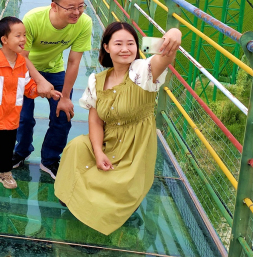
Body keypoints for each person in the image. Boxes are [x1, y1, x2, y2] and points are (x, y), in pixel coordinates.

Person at [54, 21, 181, 235]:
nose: (125, 49)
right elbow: (95, 121)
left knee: (109, 185)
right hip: (107, 139)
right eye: (118, 43)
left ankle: (92, 214)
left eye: (131, 43)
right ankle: (74, 200)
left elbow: (165, 56)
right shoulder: (97, 80)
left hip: (135, 147)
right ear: (106, 47)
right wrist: (98, 151)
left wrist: (174, 33)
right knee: (76, 147)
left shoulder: (143, 71)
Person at [13, 0, 93, 180]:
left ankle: (49, 160)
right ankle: (21, 152)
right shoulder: (33, 19)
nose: (77, 12)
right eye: (71, 8)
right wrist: (39, 81)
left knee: (63, 115)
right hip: (26, 69)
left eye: (81, 6)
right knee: (23, 118)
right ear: (54, 7)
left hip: (55, 69)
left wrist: (65, 96)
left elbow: (74, 61)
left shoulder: (84, 23)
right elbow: (22, 57)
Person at [0, 16, 61, 193]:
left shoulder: (21, 63)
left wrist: (46, 92)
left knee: (7, 150)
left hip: (11, 118)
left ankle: (4, 173)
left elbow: (27, 87)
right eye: (18, 36)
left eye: (24, 35)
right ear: (4, 40)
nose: (23, 40)